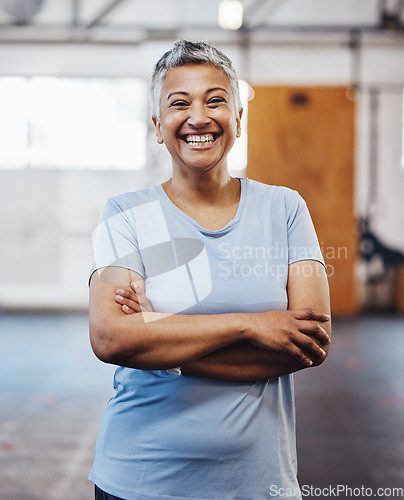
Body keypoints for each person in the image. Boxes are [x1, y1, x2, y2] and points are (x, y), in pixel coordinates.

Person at [88, 40, 331, 500]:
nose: (199, 117)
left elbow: (308, 344)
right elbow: (110, 338)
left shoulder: (284, 208)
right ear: (158, 127)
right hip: (138, 481)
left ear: (238, 119)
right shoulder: (126, 215)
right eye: (179, 104)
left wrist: (160, 343)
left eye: (215, 100)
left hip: (258, 484)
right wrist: (252, 325)